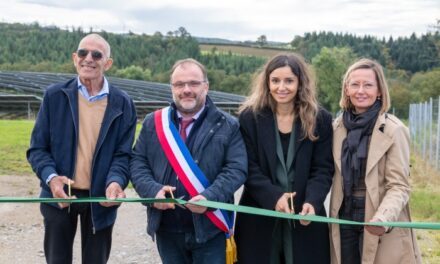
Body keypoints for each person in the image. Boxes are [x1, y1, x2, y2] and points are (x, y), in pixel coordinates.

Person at [27, 33, 137, 264]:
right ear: (74, 58)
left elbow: (123, 154)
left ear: (107, 63)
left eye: (97, 54)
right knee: (57, 260)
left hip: (100, 197)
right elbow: (38, 149)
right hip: (58, 194)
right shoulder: (54, 96)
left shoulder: (123, 102)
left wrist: (115, 181)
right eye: (83, 52)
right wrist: (52, 178)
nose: (89, 58)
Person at [130, 58, 247, 264]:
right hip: (167, 228)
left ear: (206, 86)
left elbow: (236, 169)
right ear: (172, 88)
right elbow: (138, 163)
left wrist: (210, 197)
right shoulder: (153, 122)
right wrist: (152, 191)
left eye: (193, 83)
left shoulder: (228, 125)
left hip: (210, 228)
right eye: (179, 84)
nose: (186, 90)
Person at [235, 53, 334, 264]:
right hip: (259, 214)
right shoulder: (249, 118)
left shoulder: (320, 119)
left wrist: (313, 202)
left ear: (300, 83)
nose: (282, 87)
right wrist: (273, 197)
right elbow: (248, 167)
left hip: (304, 215)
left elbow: (323, 169)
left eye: (289, 81)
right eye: (275, 80)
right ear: (267, 82)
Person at [329, 58, 421, 264]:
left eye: (368, 85)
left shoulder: (394, 130)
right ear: (346, 90)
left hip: (378, 218)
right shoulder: (337, 128)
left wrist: (383, 218)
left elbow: (399, 186)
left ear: (379, 90)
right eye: (355, 84)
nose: (361, 90)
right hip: (343, 216)